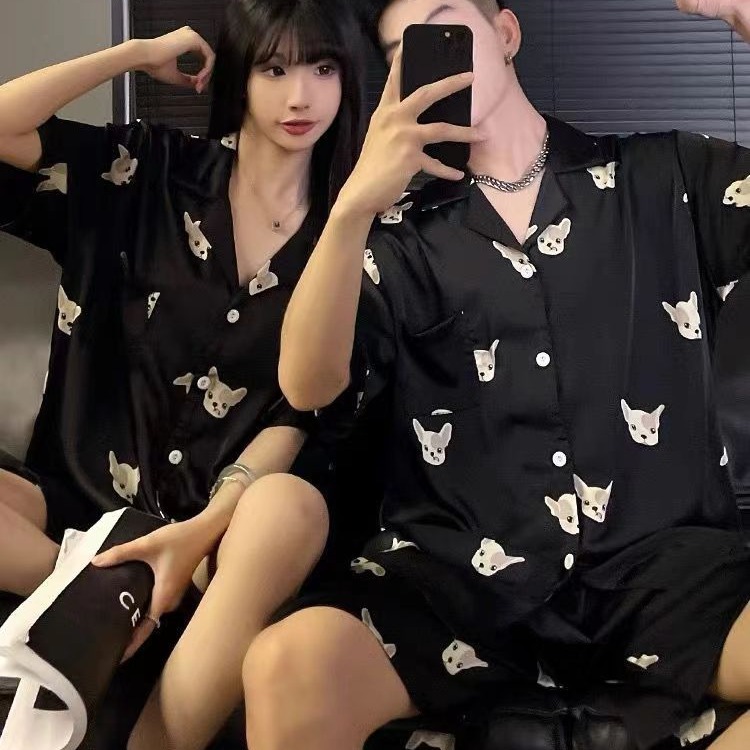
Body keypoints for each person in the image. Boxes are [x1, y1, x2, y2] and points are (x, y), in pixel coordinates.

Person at [260, 0, 750, 748]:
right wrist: (353, 206)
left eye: (444, 24)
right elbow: (307, 386)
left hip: (665, 575)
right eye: (400, 50)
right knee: (286, 668)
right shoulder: (393, 238)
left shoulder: (666, 175)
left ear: (507, 33)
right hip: (459, 587)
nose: (426, 56)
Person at [0, 0, 364, 747]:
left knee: (286, 511)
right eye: (274, 69)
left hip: (217, 543)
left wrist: (200, 533)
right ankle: (105, 588)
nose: (300, 96)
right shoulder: (148, 169)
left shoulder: (355, 230)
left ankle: (119, 616)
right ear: (238, 78)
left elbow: (303, 416)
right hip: (80, 509)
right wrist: (134, 55)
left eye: (323, 69)